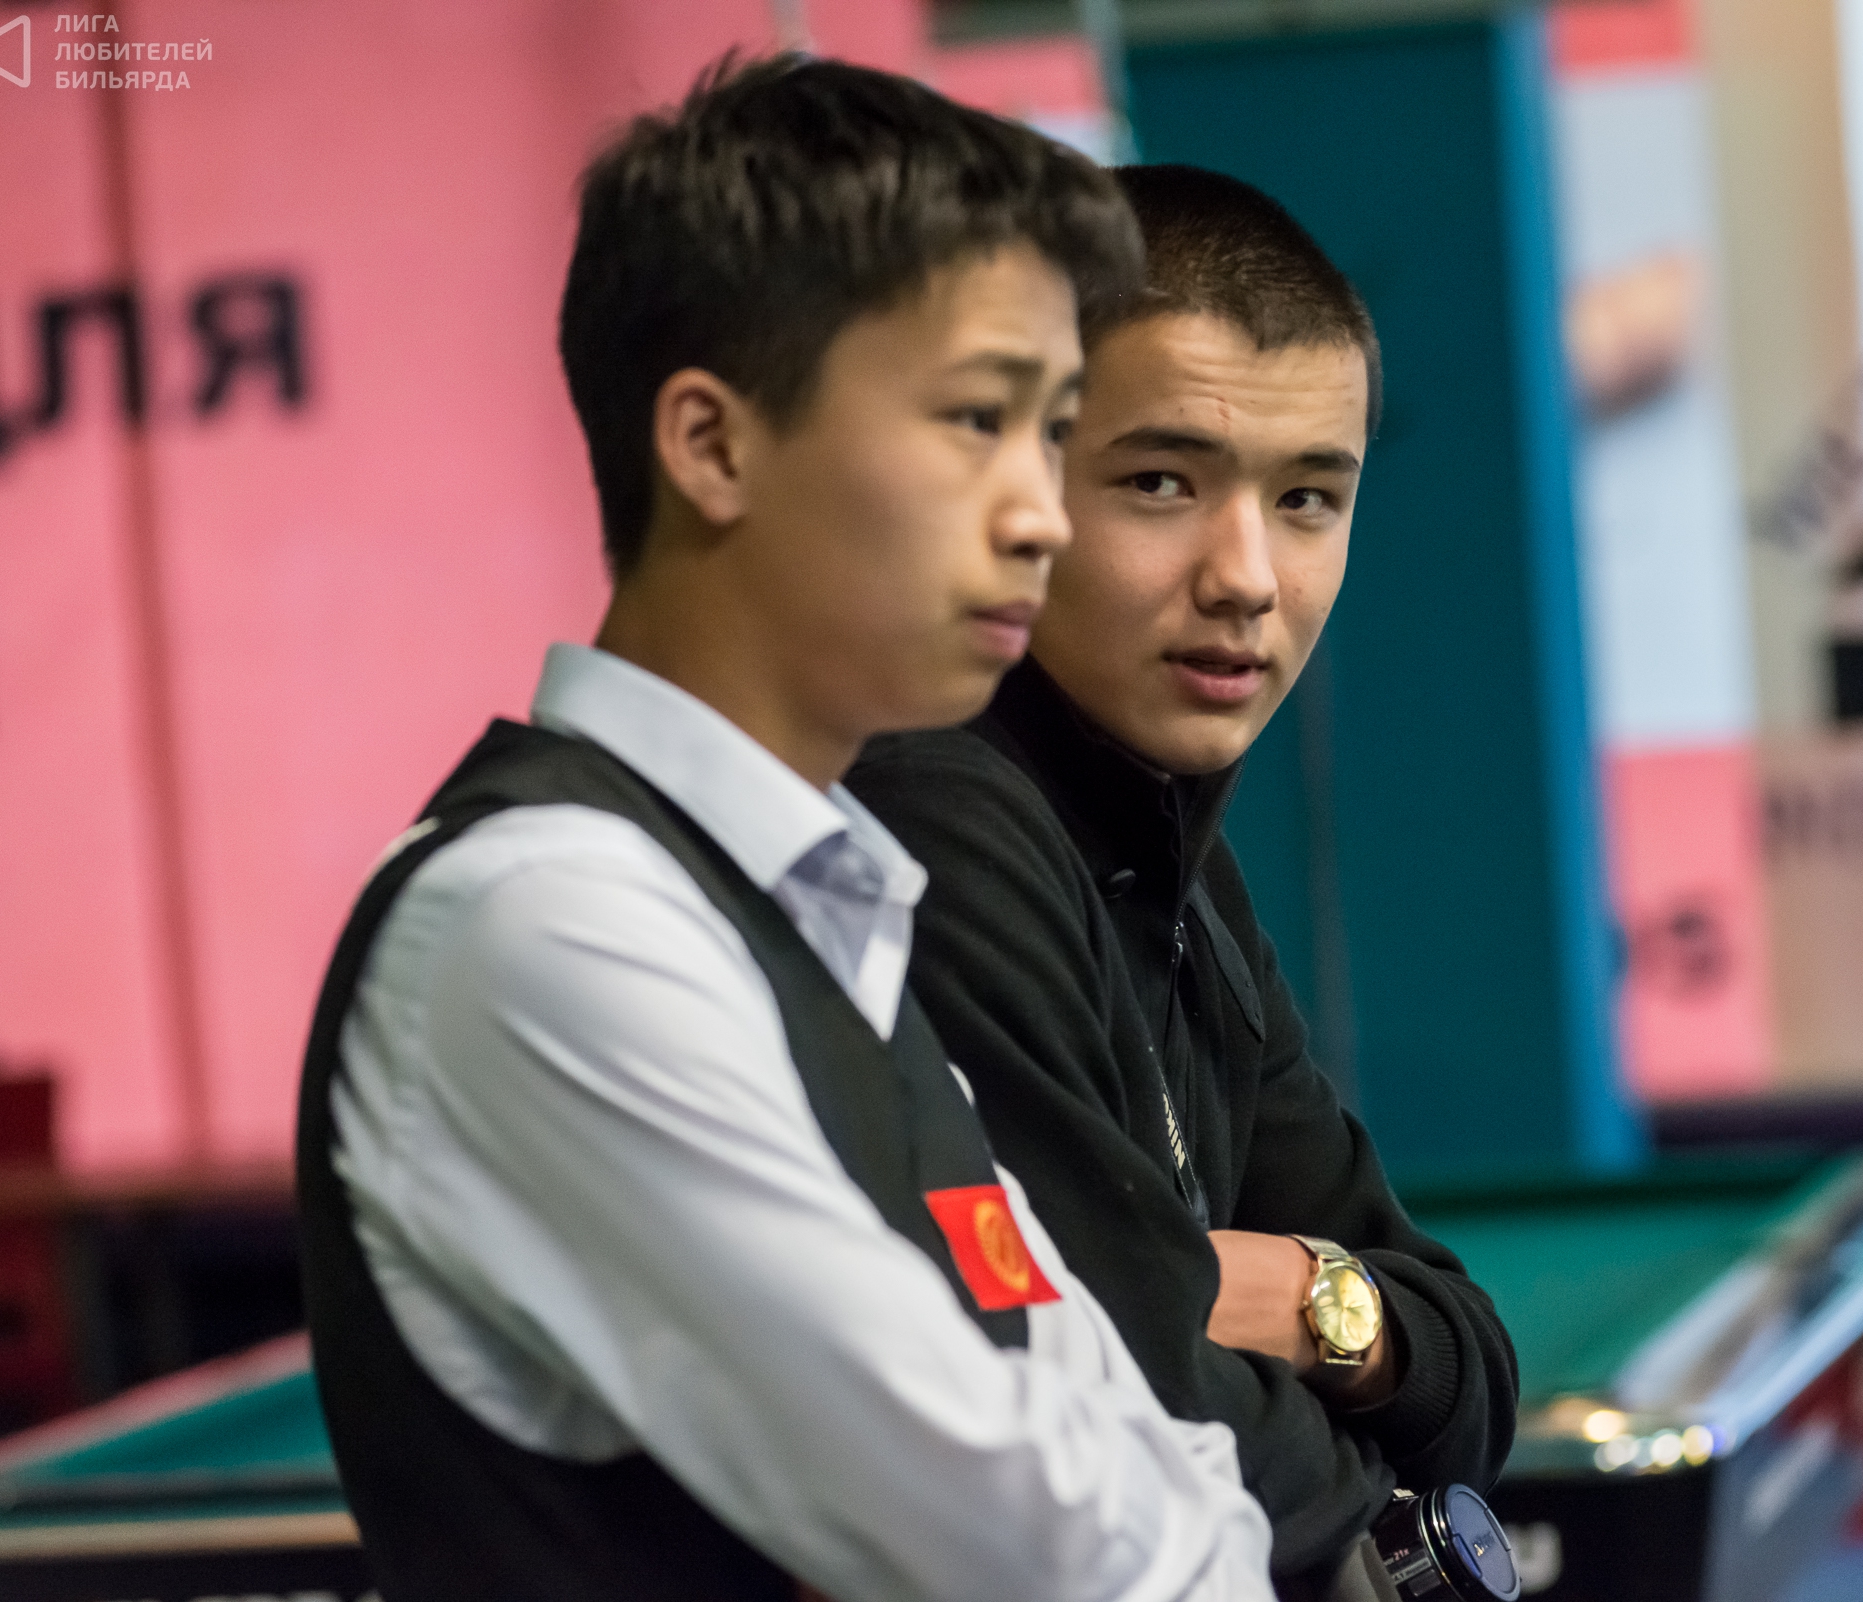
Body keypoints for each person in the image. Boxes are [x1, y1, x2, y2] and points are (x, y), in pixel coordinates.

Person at [295, 62, 1278, 1602]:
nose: (1040, 510)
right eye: (976, 419)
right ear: (712, 443)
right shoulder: (545, 920)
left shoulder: (819, 907)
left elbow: (1143, 1447)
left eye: (1054, 430)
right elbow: (1022, 1542)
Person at [847, 165, 1518, 1599]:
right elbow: (1142, 1415)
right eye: (1162, 482)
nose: (1248, 577)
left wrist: (1310, 1295)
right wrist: (1349, 1382)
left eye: (1309, 497)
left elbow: (1474, 1379)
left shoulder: (1178, 862)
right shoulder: (935, 822)